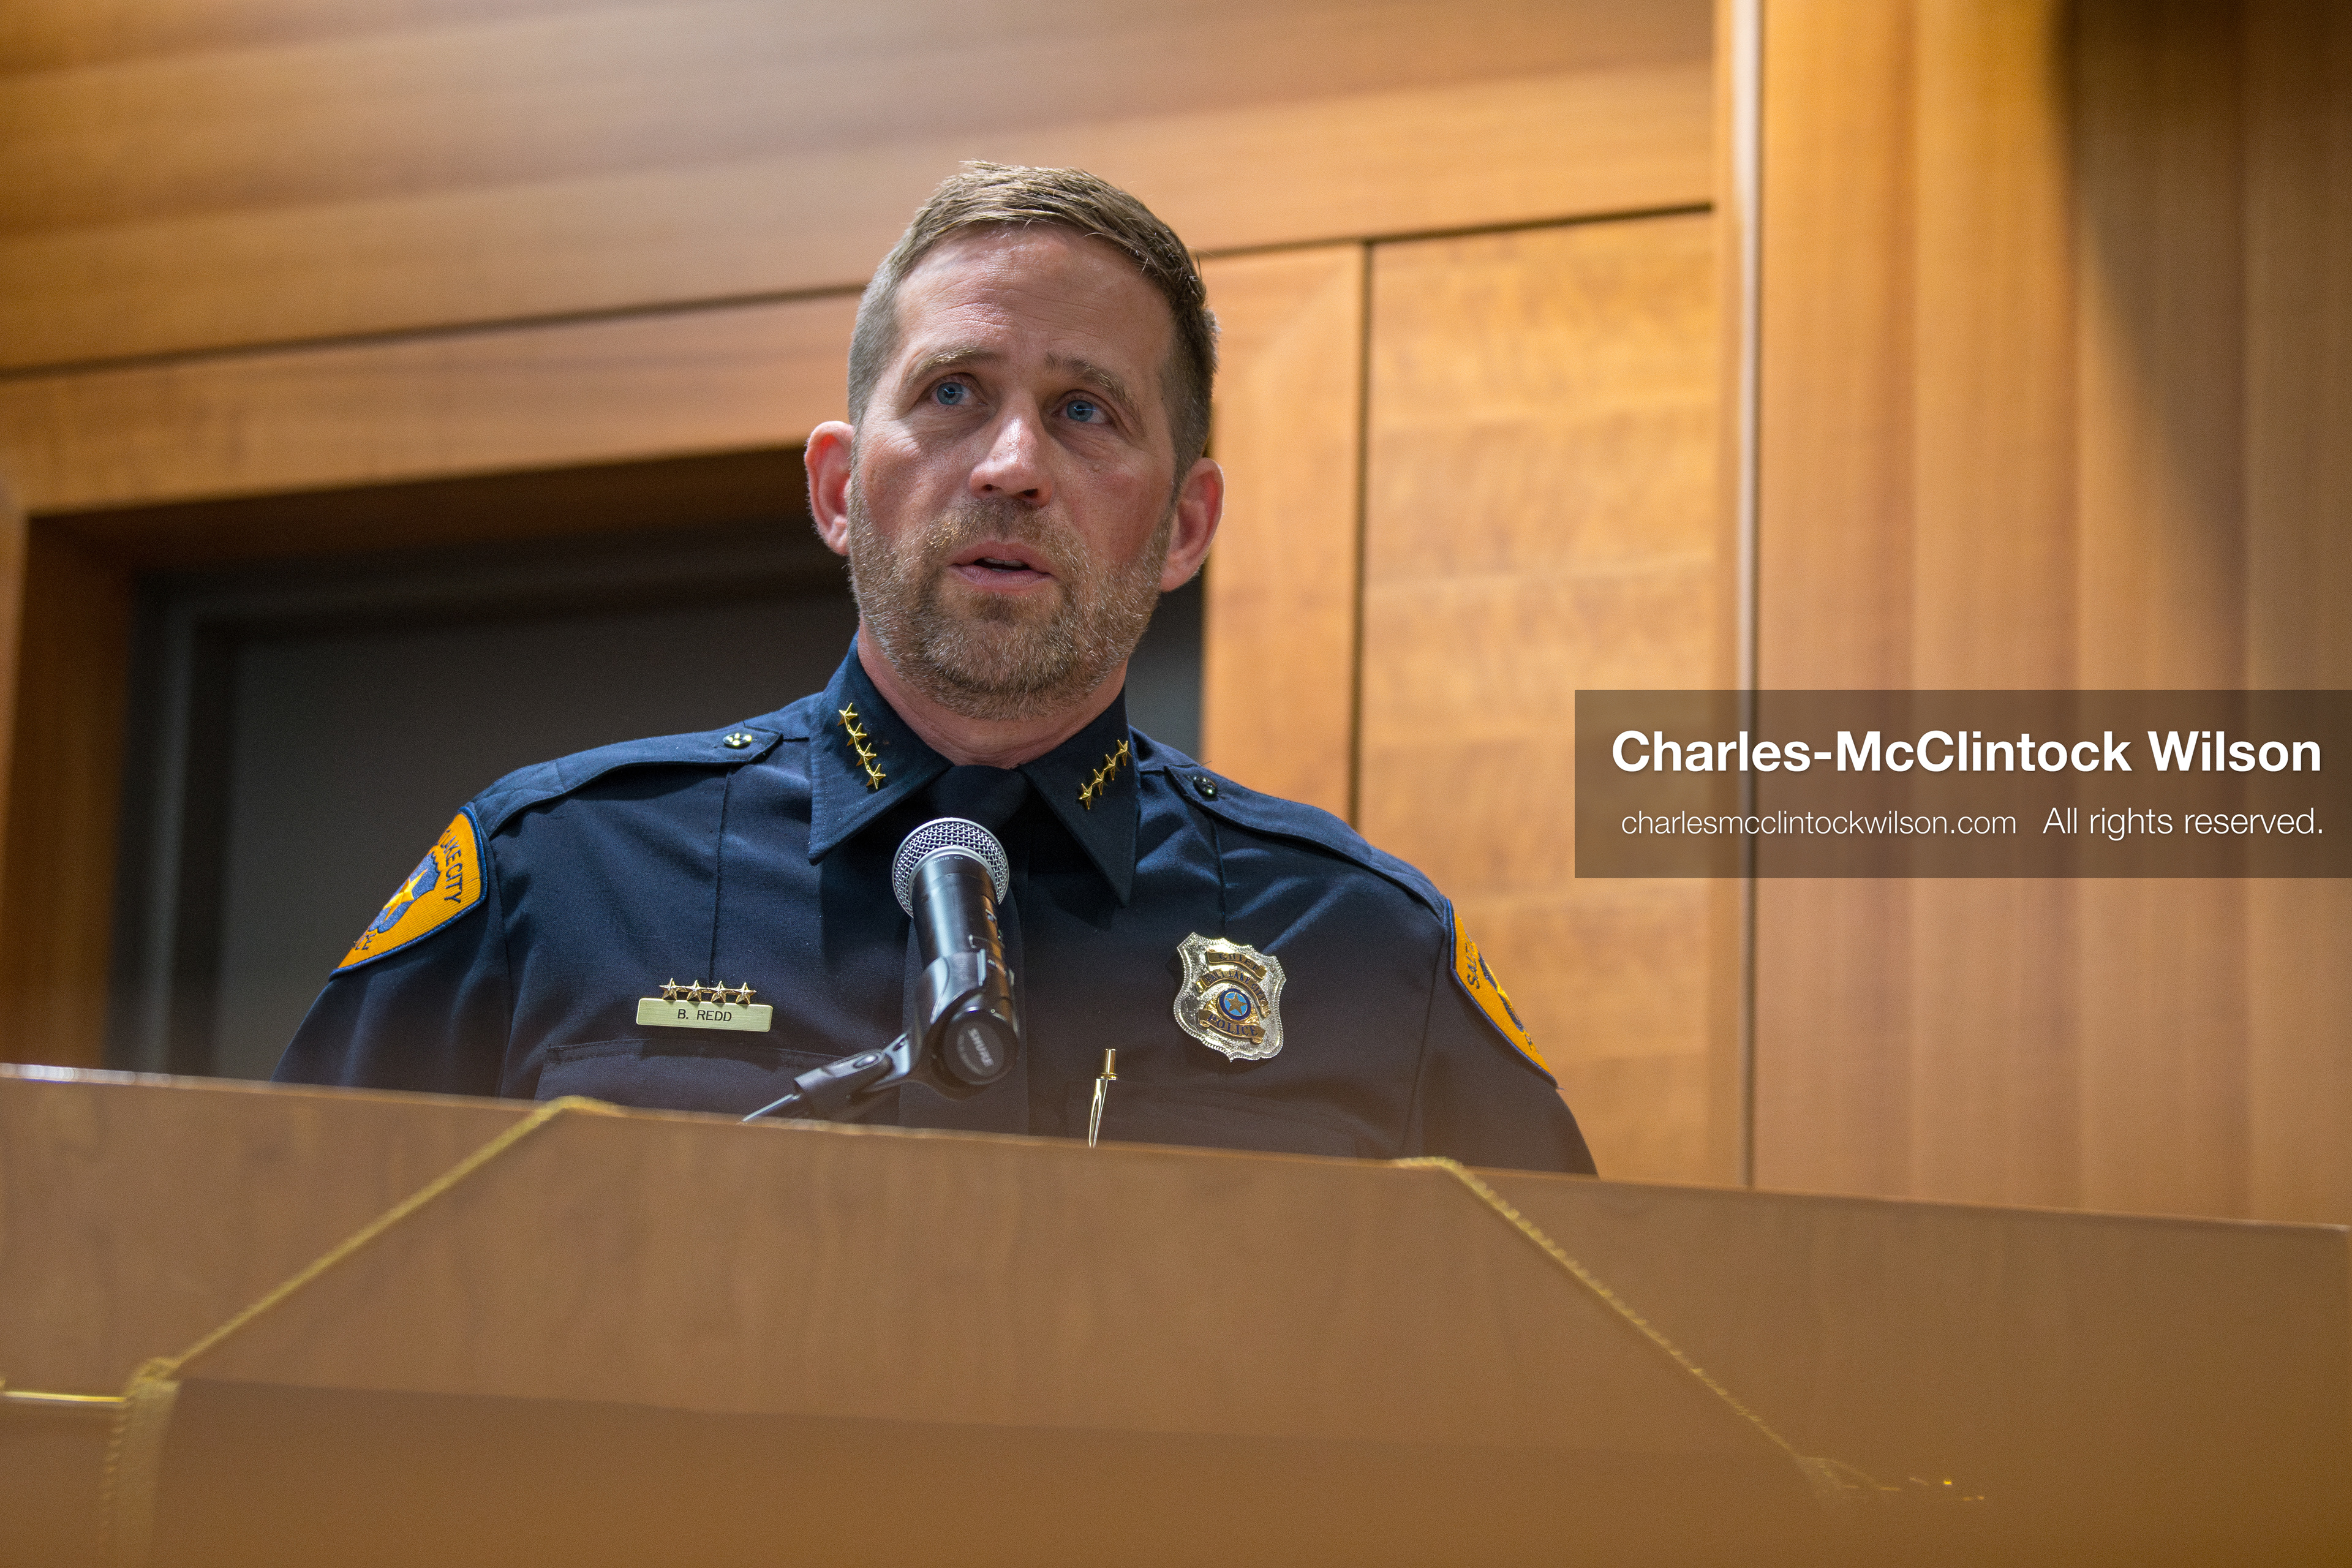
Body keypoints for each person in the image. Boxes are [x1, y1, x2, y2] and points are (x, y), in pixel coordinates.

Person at [275, 164, 1596, 1176]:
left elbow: (1593, 1415)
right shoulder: (554, 879)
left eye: (1086, 410)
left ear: (1185, 524)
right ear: (843, 487)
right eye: (954, 391)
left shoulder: (1371, 952)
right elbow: (260, 1296)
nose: (1013, 463)